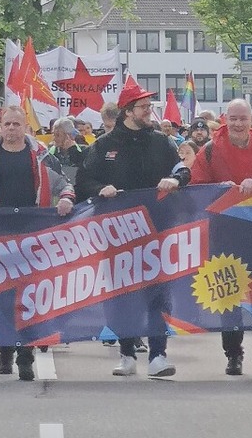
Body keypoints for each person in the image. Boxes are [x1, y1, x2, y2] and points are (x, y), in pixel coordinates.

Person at [75, 76, 191, 378]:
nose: (148, 111)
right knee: (122, 293)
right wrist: (102, 188)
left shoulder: (161, 142)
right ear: (128, 111)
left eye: (149, 106)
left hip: (157, 229)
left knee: (157, 293)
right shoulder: (103, 145)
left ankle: (158, 354)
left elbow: (182, 168)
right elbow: (83, 182)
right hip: (118, 232)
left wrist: (176, 179)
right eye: (143, 107)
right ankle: (126, 352)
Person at [0, 105, 75, 381]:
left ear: (26, 126)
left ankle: (26, 355)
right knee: (2, 296)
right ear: (0, 126)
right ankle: (6, 349)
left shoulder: (41, 155)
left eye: (17, 124)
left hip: (32, 234)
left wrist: (66, 198)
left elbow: (64, 183)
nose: (12, 129)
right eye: (8, 124)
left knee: (29, 297)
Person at [189, 97, 252, 377]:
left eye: (242, 119)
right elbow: (196, 186)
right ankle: (233, 354)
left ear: (251, 121)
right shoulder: (210, 151)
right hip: (224, 233)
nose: (237, 124)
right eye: (232, 119)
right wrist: (217, 189)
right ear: (225, 119)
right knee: (229, 296)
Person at [47, 117, 85, 184]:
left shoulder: (84, 151)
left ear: (69, 135)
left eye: (58, 135)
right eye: (53, 134)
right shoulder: (49, 153)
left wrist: (72, 150)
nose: (54, 139)